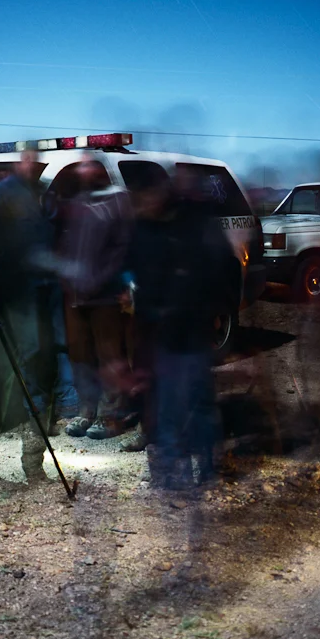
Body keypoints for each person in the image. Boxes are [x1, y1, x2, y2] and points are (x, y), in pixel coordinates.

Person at [125, 167, 237, 492]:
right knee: (172, 403)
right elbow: (136, 268)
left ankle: (200, 470)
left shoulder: (192, 221)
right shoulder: (146, 227)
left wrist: (207, 309)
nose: (143, 204)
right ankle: (178, 474)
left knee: (188, 403)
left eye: (146, 197)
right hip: (162, 330)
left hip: (188, 327)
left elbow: (215, 269)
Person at [0, 149, 62, 484]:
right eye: (29, 160)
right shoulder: (3, 196)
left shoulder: (35, 193)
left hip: (41, 286)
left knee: (43, 357)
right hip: (20, 289)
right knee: (29, 359)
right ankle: (30, 452)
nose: (34, 165)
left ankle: (35, 434)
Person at [58, 158, 134, 440]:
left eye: (90, 169)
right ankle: (86, 409)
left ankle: (111, 415)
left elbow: (122, 247)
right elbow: (66, 243)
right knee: (80, 354)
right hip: (75, 294)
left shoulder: (118, 201)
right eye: (81, 171)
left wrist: (101, 280)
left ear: (102, 172)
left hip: (104, 294)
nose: (84, 174)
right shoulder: (78, 202)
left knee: (109, 355)